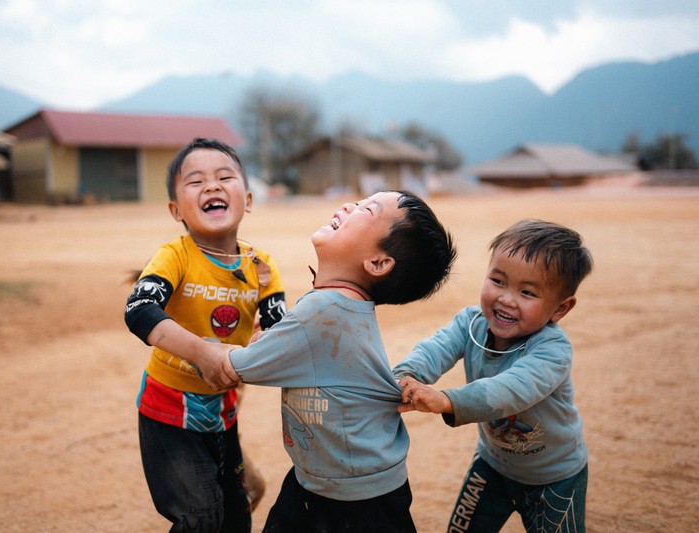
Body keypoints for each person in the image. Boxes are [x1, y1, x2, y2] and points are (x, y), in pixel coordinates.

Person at [206, 190, 457, 532]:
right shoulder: (338, 306)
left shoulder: (323, 310)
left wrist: (182, 339)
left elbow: (236, 367)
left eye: (366, 209)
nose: (349, 206)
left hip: (356, 500)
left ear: (378, 263)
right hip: (331, 481)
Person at [124, 137, 287, 532]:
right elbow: (139, 310)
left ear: (247, 199)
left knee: (237, 515)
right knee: (200, 517)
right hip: (167, 410)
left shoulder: (261, 266)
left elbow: (282, 333)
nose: (212, 186)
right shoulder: (175, 256)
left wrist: (267, 343)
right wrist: (202, 353)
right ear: (175, 209)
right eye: (195, 181)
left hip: (221, 413)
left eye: (225, 177)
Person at [393, 219, 593, 533]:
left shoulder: (553, 350)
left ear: (560, 308)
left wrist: (446, 400)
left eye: (527, 292)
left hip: (554, 477)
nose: (506, 298)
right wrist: (406, 374)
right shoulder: (470, 323)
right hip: (492, 466)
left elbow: (509, 391)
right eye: (498, 281)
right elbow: (436, 348)